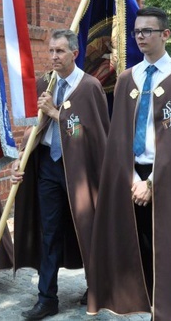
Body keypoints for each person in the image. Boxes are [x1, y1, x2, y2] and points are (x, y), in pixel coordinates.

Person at [88, 7, 171, 320]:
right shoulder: (126, 79)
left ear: (165, 34)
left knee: (169, 247)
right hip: (131, 176)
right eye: (137, 32)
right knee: (139, 245)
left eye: (147, 31)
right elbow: (118, 137)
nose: (141, 37)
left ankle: (169, 310)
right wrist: (134, 177)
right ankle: (143, 305)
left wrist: (152, 183)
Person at [11, 29, 109, 319]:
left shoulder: (90, 87)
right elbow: (34, 128)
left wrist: (56, 113)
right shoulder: (46, 82)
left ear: (74, 54)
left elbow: (92, 134)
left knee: (87, 229)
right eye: (51, 50)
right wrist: (20, 157)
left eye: (60, 51)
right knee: (50, 232)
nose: (54, 56)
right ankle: (47, 297)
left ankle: (97, 288)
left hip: (80, 170)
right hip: (49, 168)